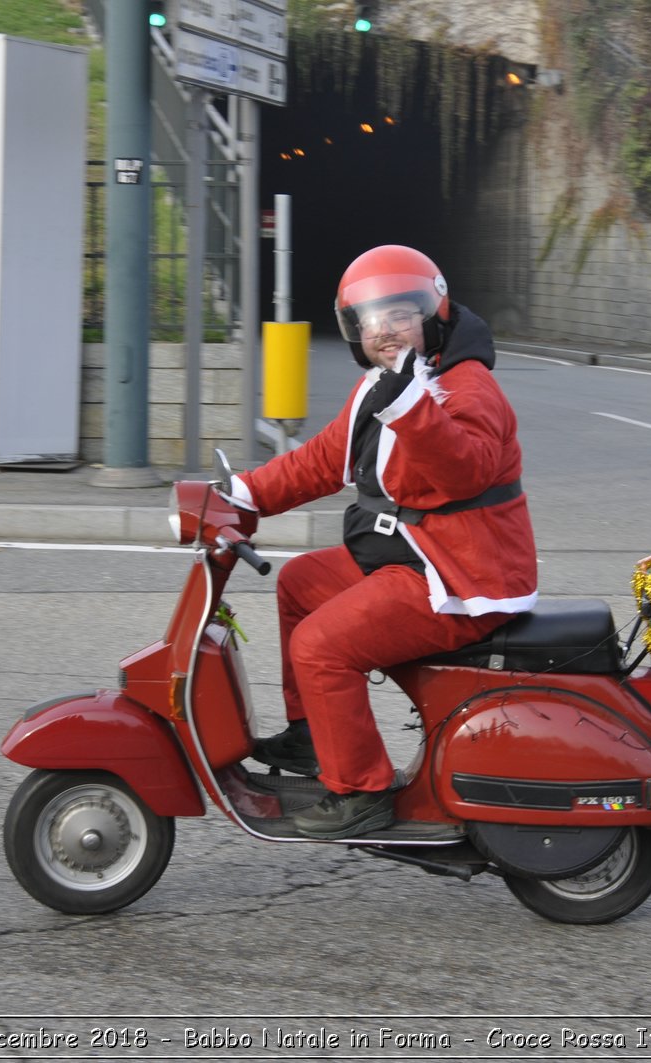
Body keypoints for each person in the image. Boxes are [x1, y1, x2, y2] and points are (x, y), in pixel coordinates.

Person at [229, 245, 539, 840]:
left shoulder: (465, 388)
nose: (385, 330)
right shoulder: (384, 383)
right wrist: (240, 494)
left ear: (433, 313)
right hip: (414, 557)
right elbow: (322, 461)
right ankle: (315, 739)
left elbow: (465, 470)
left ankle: (361, 790)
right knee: (299, 585)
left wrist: (411, 409)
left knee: (322, 645)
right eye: (371, 319)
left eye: (401, 314)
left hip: (461, 578)